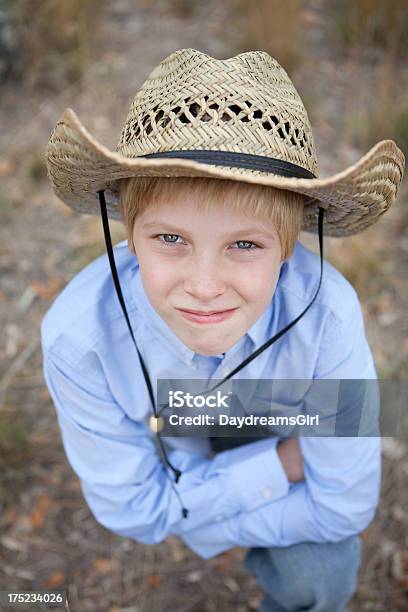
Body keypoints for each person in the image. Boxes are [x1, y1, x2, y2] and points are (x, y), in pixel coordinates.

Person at [41, 48, 405, 611]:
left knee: (323, 569)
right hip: (216, 433)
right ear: (129, 237)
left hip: (265, 419)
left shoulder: (329, 316)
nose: (205, 285)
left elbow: (345, 508)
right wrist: (285, 461)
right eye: (170, 239)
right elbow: (133, 511)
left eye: (244, 244)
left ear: (287, 248)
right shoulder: (78, 339)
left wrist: (194, 509)